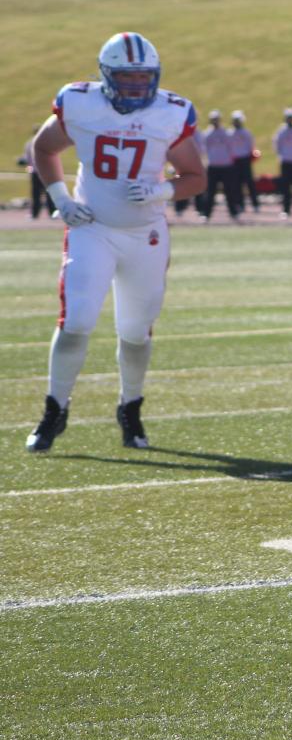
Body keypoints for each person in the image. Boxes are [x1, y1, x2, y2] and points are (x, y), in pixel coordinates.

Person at [24, 32, 206, 453]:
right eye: (127, 78)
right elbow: (44, 147)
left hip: (146, 235)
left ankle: (130, 407)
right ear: (106, 76)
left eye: (144, 78)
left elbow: (195, 178)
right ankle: (55, 409)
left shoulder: (170, 113)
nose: (136, 87)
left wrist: (162, 192)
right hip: (93, 228)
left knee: (135, 333)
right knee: (77, 322)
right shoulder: (81, 103)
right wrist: (61, 199)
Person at [197, 109, 242, 221]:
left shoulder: (226, 133)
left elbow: (231, 148)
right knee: (210, 192)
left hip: (226, 166)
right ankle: (206, 214)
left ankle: (233, 213)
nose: (215, 122)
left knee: (229, 191)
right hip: (213, 166)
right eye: (213, 120)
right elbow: (204, 150)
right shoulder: (207, 134)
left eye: (216, 119)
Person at [227, 111, 259, 212]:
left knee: (249, 183)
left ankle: (255, 204)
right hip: (235, 160)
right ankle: (240, 205)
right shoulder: (230, 133)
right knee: (236, 184)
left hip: (245, 159)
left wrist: (250, 156)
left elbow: (251, 146)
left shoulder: (246, 133)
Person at [21, 125, 45, 219]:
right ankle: (51, 212)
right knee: (44, 192)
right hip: (41, 171)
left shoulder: (30, 143)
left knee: (37, 193)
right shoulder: (43, 142)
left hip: (37, 171)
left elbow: (26, 158)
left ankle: (35, 213)